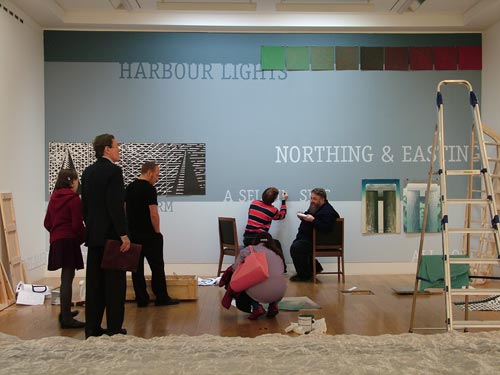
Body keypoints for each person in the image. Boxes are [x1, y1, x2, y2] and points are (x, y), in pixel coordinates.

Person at [81, 133, 131, 338]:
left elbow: (84, 205)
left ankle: (92, 327)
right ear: (107, 149)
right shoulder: (114, 171)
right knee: (114, 286)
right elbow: (115, 206)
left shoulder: (88, 172)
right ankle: (113, 328)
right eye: (116, 146)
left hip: (93, 236)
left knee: (94, 285)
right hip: (111, 237)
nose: (119, 149)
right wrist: (123, 234)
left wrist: (91, 227)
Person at [125, 161, 179, 307]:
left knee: (137, 269)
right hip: (149, 235)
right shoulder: (149, 189)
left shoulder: (129, 187)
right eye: (156, 174)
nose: (157, 178)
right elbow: (153, 213)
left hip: (133, 235)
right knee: (157, 266)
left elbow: (124, 210)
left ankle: (142, 299)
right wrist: (157, 233)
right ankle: (161, 297)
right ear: (149, 172)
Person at [44, 169, 86, 329]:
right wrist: (83, 238)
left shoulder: (54, 198)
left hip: (57, 240)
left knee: (65, 278)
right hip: (69, 240)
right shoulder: (74, 199)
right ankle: (67, 318)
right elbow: (77, 225)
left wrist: (56, 234)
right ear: (72, 181)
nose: (77, 184)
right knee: (67, 279)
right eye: (76, 181)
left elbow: (47, 223)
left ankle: (65, 312)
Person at [220, 232, 287, 320]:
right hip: (279, 293)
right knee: (273, 281)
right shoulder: (278, 253)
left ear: (255, 241)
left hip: (258, 292)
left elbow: (235, 268)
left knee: (240, 281)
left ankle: (256, 307)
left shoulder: (249, 250)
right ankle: (273, 305)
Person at [289, 188, 340, 282]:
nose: (312, 201)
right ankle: (313, 269)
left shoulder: (328, 211)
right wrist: (303, 216)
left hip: (319, 240)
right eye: (311, 198)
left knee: (296, 248)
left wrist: (312, 220)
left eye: (314, 199)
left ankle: (304, 275)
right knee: (297, 245)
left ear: (322, 199)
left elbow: (326, 228)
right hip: (309, 238)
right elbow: (311, 217)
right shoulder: (316, 207)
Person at [243, 187, 288, 253]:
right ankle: (280, 263)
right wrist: (283, 201)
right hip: (259, 240)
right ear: (274, 199)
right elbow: (282, 216)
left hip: (246, 239)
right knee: (277, 244)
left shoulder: (254, 203)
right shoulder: (272, 210)